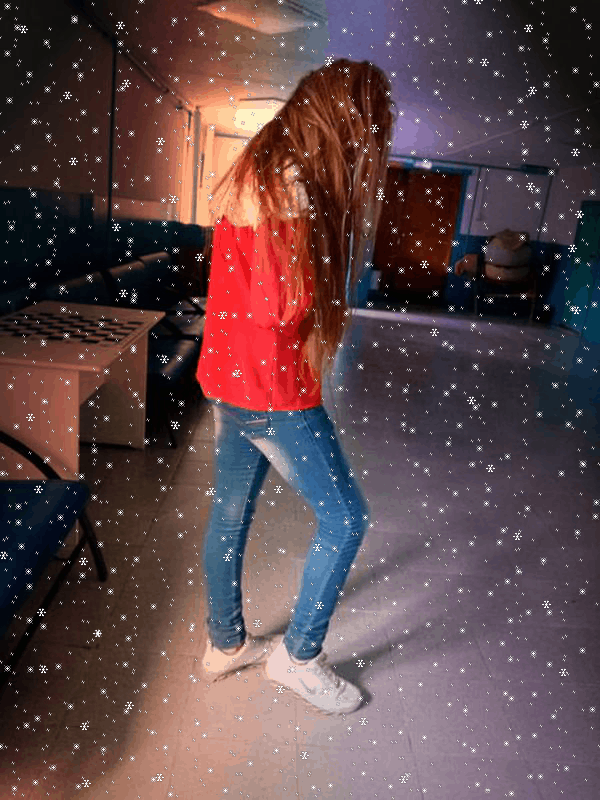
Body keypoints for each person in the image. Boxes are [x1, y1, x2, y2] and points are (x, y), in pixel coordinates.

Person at [196, 58, 396, 714]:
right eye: (366, 127)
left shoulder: (255, 168)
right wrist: (317, 266)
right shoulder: (290, 188)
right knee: (346, 518)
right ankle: (299, 657)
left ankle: (225, 645)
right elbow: (276, 308)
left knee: (231, 512)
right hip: (272, 392)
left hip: (228, 379)